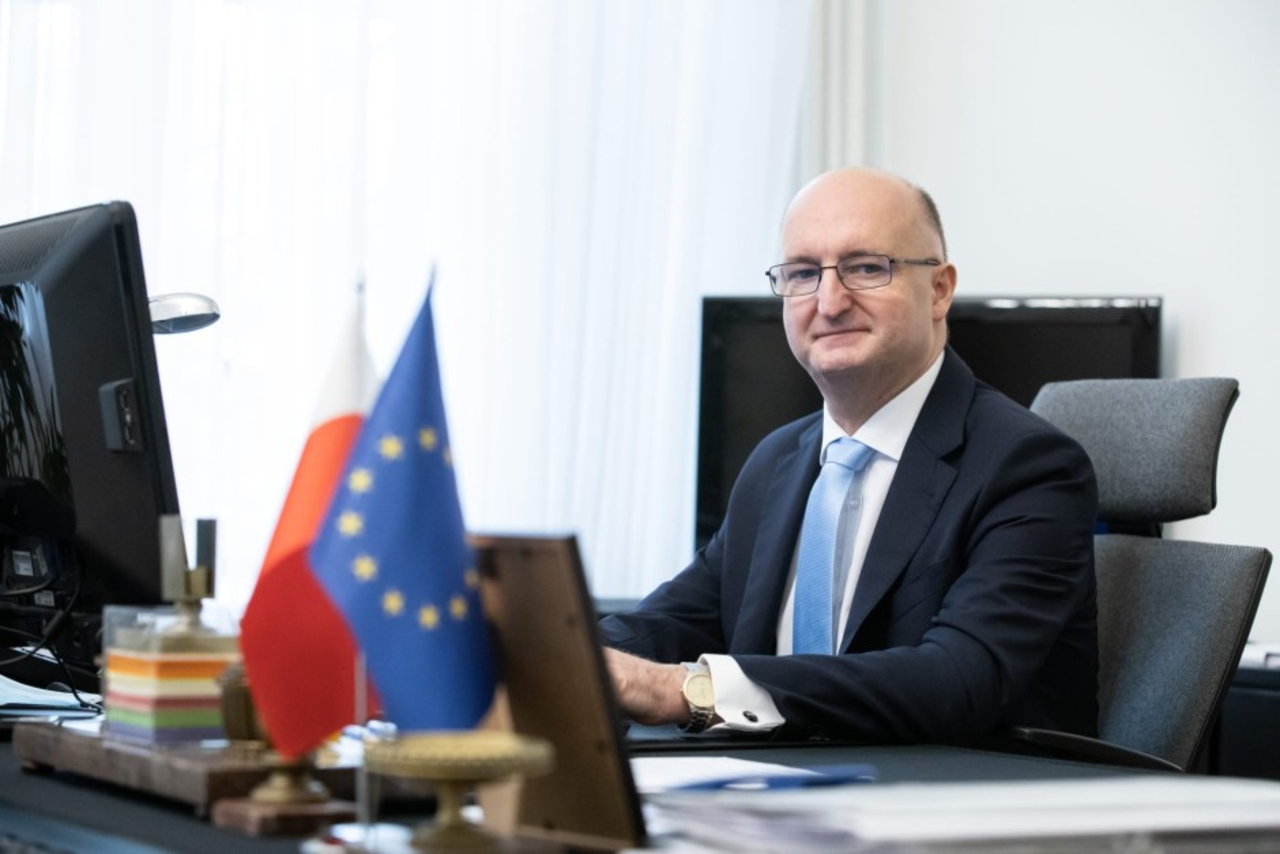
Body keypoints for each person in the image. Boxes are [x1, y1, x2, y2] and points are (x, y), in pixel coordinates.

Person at [599, 167, 1099, 745]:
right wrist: (558, 655)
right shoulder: (777, 461)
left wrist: (687, 691)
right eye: (803, 273)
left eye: (866, 267)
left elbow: (958, 679)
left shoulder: (1028, 466)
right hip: (772, 786)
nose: (829, 302)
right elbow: (674, 622)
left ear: (939, 289)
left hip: (954, 791)